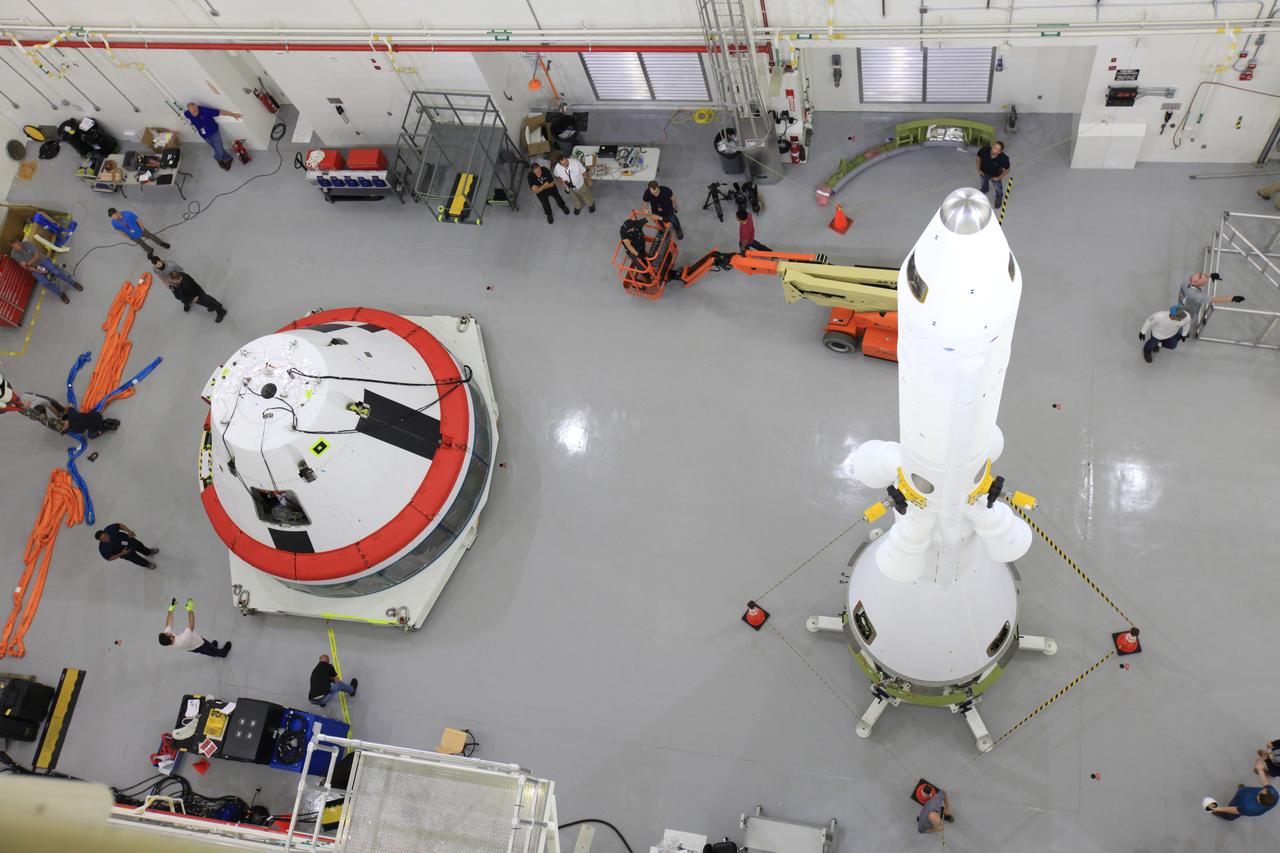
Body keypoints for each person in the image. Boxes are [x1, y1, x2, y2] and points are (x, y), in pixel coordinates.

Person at [9, 238, 82, 304]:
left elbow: (37, 255)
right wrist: (38, 271)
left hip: (42, 260)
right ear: (13, 248)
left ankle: (73, 283)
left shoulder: (28, 244)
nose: (18, 248)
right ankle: (61, 294)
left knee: (55, 271)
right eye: (15, 247)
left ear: (19, 242)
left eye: (18, 245)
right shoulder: (14, 254)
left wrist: (28, 263)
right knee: (45, 282)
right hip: (34, 268)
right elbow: (25, 267)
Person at [158, 598, 231, 658]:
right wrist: (190, 609)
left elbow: (168, 624)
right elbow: (191, 624)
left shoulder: (167, 639)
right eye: (167, 633)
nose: (167, 632)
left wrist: (171, 609)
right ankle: (222, 653)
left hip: (191, 647)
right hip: (199, 643)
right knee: (208, 648)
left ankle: (212, 652)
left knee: (205, 651)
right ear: (170, 638)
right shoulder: (182, 640)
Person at [1208, 757, 1278, 820]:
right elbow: (1266, 784)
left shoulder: (1248, 807)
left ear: (1258, 798)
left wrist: (1218, 809)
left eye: (1262, 791)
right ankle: (1242, 790)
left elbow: (1235, 809)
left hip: (1239, 803)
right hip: (1248, 793)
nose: (1264, 788)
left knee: (1231, 813)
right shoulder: (1273, 794)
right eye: (1265, 789)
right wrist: (1260, 770)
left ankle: (1226, 816)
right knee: (1244, 791)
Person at [1179, 272, 1245, 336]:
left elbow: (1203, 274)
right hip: (1188, 310)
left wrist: (1211, 275)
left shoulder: (1189, 281)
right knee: (1186, 321)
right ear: (1195, 282)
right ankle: (1181, 333)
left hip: (1183, 304)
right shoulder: (1196, 296)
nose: (1205, 279)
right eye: (1203, 279)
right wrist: (1232, 298)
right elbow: (1215, 299)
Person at [183, 102, 243, 171]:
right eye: (192, 112)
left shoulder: (205, 111)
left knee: (219, 149)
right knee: (216, 148)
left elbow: (220, 112)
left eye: (195, 111)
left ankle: (218, 159)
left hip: (214, 132)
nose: (194, 113)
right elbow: (189, 117)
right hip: (204, 135)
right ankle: (228, 158)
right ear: (189, 111)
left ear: (197, 107)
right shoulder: (187, 114)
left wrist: (233, 114)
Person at [976, 141, 1011, 209]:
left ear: (999, 152)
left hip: (995, 176)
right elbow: (978, 157)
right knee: (983, 183)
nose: (993, 149)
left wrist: (999, 177)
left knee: (998, 188)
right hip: (983, 173)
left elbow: (1007, 169)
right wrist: (978, 169)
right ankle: (985, 189)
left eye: (996, 149)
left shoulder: (1004, 159)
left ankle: (999, 196)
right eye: (993, 147)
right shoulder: (985, 150)